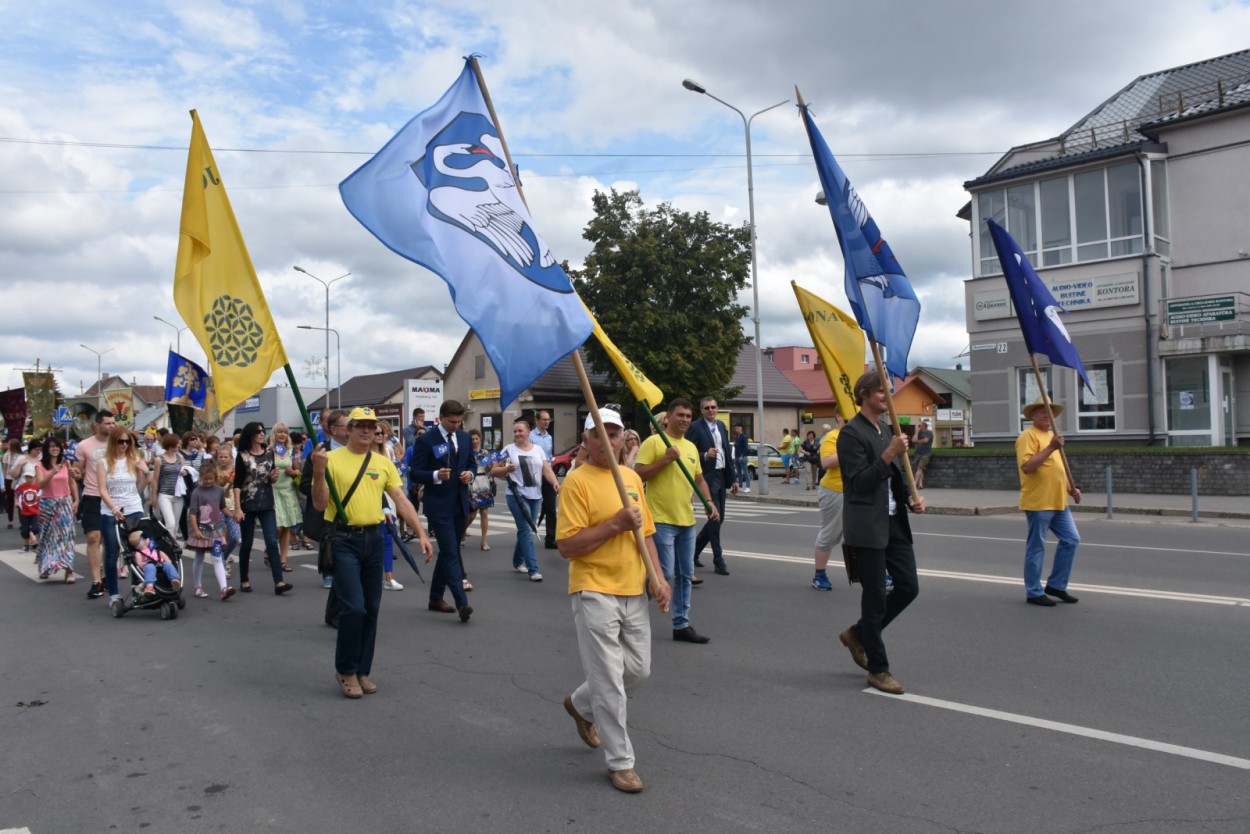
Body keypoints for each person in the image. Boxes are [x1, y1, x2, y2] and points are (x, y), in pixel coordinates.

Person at [556, 407, 670, 794]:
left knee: (638, 671)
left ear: (623, 439)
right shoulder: (576, 482)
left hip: (633, 588)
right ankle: (621, 762)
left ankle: (580, 704)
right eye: (598, 434)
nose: (608, 441)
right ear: (586, 441)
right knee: (608, 680)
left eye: (614, 433)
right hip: (593, 588)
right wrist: (614, 524)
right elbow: (567, 546)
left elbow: (646, 533)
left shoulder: (631, 478)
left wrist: (658, 578)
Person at [312, 406, 433, 699]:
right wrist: (318, 471)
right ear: (348, 429)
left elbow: (400, 499)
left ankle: (361, 670)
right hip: (344, 539)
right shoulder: (330, 459)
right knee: (353, 607)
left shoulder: (382, 463)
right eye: (361, 426)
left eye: (371, 426)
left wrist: (421, 532)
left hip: (374, 538)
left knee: (371, 609)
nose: (367, 431)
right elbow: (319, 504)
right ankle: (345, 669)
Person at [836, 372, 925, 695]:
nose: (887, 397)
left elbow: (894, 478)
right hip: (867, 526)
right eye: (881, 392)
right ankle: (878, 669)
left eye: (889, 392)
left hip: (893, 522)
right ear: (864, 394)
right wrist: (888, 453)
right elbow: (857, 482)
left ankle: (858, 634)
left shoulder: (885, 429)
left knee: (908, 586)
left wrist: (911, 498)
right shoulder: (851, 433)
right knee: (874, 597)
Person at [634, 397, 717, 643]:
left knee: (685, 574)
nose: (685, 420)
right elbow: (638, 474)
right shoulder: (653, 442)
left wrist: (708, 501)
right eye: (680, 415)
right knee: (665, 572)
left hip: (686, 521)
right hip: (660, 520)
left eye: (688, 416)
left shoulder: (690, 447)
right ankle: (630, 607)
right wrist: (665, 459)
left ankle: (681, 624)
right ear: (668, 417)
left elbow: (699, 479)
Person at [411, 400, 474, 621]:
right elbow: (415, 472)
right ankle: (462, 603)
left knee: (448, 551)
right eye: (452, 422)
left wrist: (469, 475)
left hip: (460, 503)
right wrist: (436, 475)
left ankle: (435, 598)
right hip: (438, 505)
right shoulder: (427, 440)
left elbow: (472, 464)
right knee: (450, 552)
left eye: (459, 422)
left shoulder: (464, 438)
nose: (456, 425)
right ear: (441, 418)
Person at [1016, 397, 1082, 607]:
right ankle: (1034, 592)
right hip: (1039, 502)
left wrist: (1071, 489)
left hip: (1059, 501)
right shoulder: (1027, 436)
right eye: (1041, 411)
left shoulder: (1053, 437)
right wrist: (1051, 448)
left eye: (1049, 410)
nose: (1046, 414)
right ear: (1032, 416)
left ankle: (1056, 586)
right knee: (1036, 547)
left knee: (1071, 540)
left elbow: (1058, 469)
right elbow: (1027, 467)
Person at [494, 419, 560, 582]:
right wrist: (506, 469)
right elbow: (494, 470)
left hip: (535, 495)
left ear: (528, 432)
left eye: (520, 431)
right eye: (515, 431)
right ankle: (534, 569)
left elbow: (546, 469)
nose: (517, 434)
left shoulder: (538, 449)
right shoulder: (508, 449)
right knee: (526, 530)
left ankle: (517, 561)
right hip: (516, 495)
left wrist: (555, 482)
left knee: (526, 529)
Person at [233, 421, 293, 595]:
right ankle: (244, 580)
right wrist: (238, 508)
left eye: (262, 431)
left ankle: (279, 582)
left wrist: (273, 477)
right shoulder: (243, 456)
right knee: (247, 544)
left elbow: (270, 478)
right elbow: (237, 484)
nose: (261, 434)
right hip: (248, 502)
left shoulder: (269, 453)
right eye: (258, 431)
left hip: (267, 502)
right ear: (250, 435)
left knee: (272, 541)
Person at [99, 426, 150, 604]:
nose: (124, 445)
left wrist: (145, 472)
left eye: (128, 442)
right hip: (110, 512)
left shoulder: (134, 459)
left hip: (133, 508)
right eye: (120, 441)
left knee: (136, 550)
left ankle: (137, 589)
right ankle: (114, 594)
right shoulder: (104, 462)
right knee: (112, 552)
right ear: (113, 442)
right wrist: (113, 507)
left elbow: (140, 488)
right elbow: (102, 490)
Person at [689, 396, 737, 576]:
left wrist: (733, 479)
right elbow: (689, 450)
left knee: (718, 518)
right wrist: (704, 454)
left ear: (717, 409)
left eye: (713, 407)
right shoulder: (695, 427)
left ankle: (693, 552)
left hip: (721, 475)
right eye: (707, 408)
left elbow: (727, 452)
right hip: (707, 476)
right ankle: (718, 560)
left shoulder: (721, 426)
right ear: (702, 410)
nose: (711, 410)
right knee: (714, 518)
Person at [75, 410, 116, 598]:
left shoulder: (118, 443)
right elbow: (78, 470)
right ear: (97, 425)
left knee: (110, 540)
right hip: (92, 495)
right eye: (108, 423)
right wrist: (75, 473)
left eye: (113, 423)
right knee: (93, 537)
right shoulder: (84, 445)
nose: (111, 426)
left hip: (114, 496)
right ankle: (96, 581)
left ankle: (107, 577)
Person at [186, 463, 234, 600]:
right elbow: (192, 514)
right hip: (201, 530)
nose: (208, 481)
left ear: (215, 477)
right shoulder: (196, 493)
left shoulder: (219, 490)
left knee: (217, 558)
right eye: (205, 479)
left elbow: (223, 507)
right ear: (200, 477)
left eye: (211, 478)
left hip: (216, 530)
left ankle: (224, 588)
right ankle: (198, 586)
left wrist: (233, 516)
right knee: (199, 557)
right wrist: (196, 530)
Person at [35, 435, 79, 582]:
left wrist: (76, 500)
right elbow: (40, 485)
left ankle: (69, 571)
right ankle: (45, 566)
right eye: (52, 446)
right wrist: (52, 473)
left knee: (67, 536)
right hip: (48, 503)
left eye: (57, 446)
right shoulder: (40, 465)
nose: (55, 449)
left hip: (65, 502)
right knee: (47, 536)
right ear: (47, 449)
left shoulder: (66, 462)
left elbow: (72, 482)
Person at [810, 415, 844, 591]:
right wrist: (849, 449)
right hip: (835, 490)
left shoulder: (863, 434)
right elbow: (826, 462)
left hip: (859, 491)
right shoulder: (832, 437)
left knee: (862, 536)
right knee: (830, 533)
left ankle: (870, 574)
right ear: (838, 416)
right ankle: (819, 574)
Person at [269, 424, 301, 573]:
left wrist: (293, 472)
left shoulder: (290, 450)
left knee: (287, 526)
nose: (282, 435)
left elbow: (297, 469)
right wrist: (270, 475)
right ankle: (270, 548)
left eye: (285, 432)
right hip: (273, 491)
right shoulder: (269, 450)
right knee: (277, 527)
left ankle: (282, 561)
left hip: (288, 491)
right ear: (274, 434)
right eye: (279, 432)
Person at [529, 410, 559, 550]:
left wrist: (553, 476)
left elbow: (548, 457)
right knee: (531, 506)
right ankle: (525, 535)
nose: (547, 422)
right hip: (534, 474)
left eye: (548, 419)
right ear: (537, 421)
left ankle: (550, 538)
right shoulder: (530, 436)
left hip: (547, 474)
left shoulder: (549, 437)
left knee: (551, 508)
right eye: (544, 419)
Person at [150, 433, 187, 541]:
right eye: (177, 443)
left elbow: (183, 473)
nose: (179, 445)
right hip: (165, 495)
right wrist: (153, 497)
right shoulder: (159, 459)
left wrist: (185, 473)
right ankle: (170, 546)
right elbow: (155, 479)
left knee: (175, 525)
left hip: (178, 495)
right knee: (170, 524)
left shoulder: (180, 458)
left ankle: (172, 545)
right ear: (171, 445)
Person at [128, 527, 181, 597]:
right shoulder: (138, 553)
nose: (149, 538)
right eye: (146, 537)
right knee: (150, 567)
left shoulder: (154, 549)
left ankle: (175, 579)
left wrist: (167, 560)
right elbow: (139, 563)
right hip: (149, 566)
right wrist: (141, 565)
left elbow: (161, 554)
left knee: (168, 565)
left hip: (161, 564)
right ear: (142, 542)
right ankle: (149, 586)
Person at [465, 429, 493, 552]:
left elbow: (489, 469)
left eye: (476, 439)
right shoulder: (466, 453)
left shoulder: (484, 452)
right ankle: (462, 531)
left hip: (484, 482)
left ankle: (484, 540)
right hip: (472, 483)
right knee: (472, 514)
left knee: (484, 512)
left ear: (480, 439)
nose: (475, 441)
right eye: (472, 439)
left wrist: (490, 461)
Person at [16, 469, 41, 551]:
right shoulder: (22, 486)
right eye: (27, 477)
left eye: (30, 477)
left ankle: (33, 538)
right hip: (25, 511)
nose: (28, 479)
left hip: (35, 511)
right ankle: (26, 545)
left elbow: (42, 494)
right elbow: (17, 494)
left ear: (34, 477)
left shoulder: (37, 487)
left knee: (36, 528)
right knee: (24, 530)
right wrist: (16, 501)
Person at [913, 418, 934, 489]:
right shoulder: (919, 433)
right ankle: (920, 484)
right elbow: (913, 440)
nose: (919, 427)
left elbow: (926, 440)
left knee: (920, 467)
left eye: (920, 426)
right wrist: (916, 432)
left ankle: (915, 483)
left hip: (925, 453)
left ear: (924, 427)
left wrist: (917, 441)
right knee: (920, 469)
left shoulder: (929, 433)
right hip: (918, 453)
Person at [733, 424, 750, 493]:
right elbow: (738, 447)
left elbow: (746, 448)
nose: (737, 429)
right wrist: (735, 445)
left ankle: (748, 487)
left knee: (745, 472)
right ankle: (740, 486)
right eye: (736, 428)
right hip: (737, 457)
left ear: (741, 428)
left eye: (738, 428)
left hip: (742, 457)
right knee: (739, 472)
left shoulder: (744, 436)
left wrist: (742, 456)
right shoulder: (737, 437)